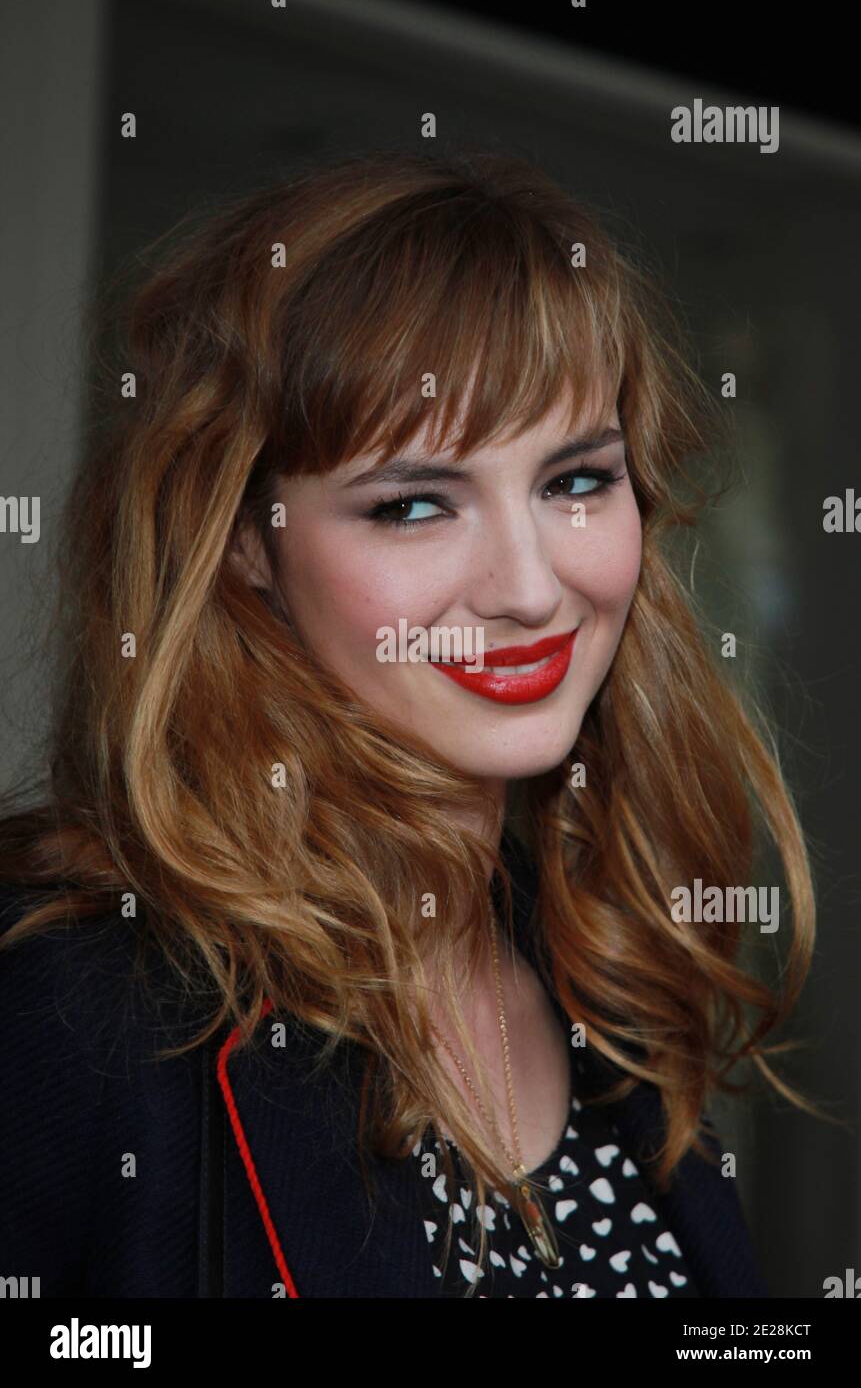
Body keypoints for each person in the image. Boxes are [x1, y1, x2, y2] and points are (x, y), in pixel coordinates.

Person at [0, 150, 818, 1299]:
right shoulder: (70, 1003)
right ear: (246, 542)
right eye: (415, 503)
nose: (531, 587)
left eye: (575, 480)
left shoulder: (600, 962)